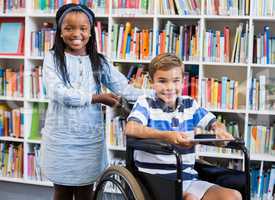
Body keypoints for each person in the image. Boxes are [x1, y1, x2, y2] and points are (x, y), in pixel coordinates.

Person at [41, 3, 150, 200]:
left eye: (83, 28)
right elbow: (59, 93)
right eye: (69, 28)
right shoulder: (52, 59)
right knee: (62, 191)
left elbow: (124, 87)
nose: (77, 33)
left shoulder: (99, 61)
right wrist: (96, 98)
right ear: (59, 32)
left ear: (91, 32)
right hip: (61, 139)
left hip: (88, 140)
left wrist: (158, 95)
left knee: (86, 192)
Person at [124, 53, 243, 200]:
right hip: (155, 179)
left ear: (182, 81)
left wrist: (220, 131)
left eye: (176, 81)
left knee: (233, 196)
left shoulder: (189, 104)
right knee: (191, 198)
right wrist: (167, 136)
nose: (170, 87)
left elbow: (214, 123)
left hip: (187, 177)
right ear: (151, 81)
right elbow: (131, 128)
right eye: (162, 81)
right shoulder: (145, 103)